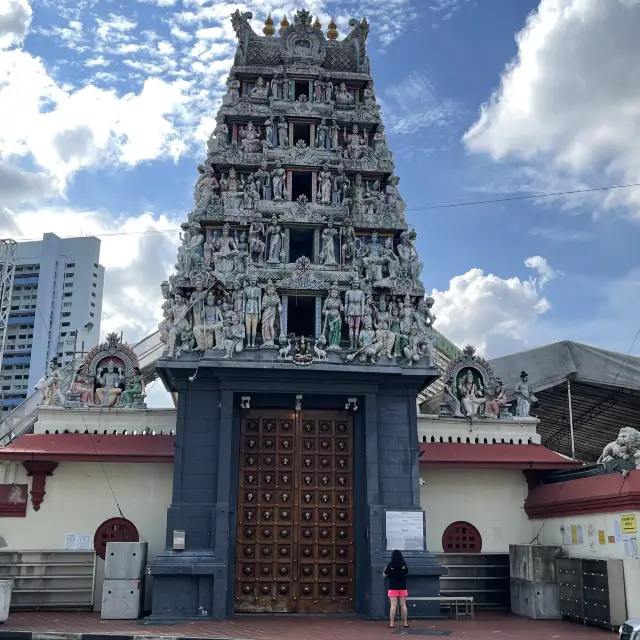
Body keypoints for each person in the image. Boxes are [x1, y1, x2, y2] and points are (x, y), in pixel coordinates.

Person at [384, 549, 409, 628]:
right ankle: (405, 623)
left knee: (393, 605)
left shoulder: (390, 565)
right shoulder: (403, 564)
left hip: (393, 587)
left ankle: (392, 623)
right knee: (403, 605)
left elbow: (384, 574)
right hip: (402, 587)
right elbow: (406, 572)